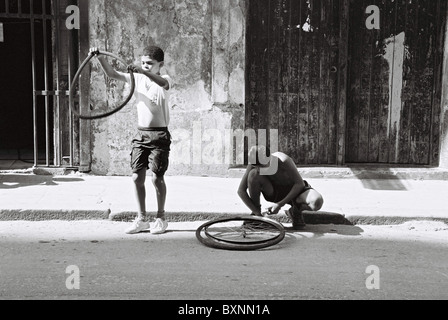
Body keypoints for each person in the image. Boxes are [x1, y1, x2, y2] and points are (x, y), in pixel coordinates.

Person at [89, 46, 173, 235]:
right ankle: (141, 218)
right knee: (137, 177)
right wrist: (100, 57)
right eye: (143, 62)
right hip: (141, 134)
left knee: (157, 177)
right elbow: (112, 74)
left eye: (150, 64)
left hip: (159, 135)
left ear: (161, 64)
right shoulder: (137, 78)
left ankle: (160, 218)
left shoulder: (165, 80)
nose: (145, 66)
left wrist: (143, 71)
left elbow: (161, 82)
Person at [237, 145, 324, 229]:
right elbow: (241, 191)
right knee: (253, 174)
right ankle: (255, 214)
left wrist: (279, 204)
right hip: (274, 192)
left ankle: (295, 211)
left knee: (317, 201)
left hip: (296, 192)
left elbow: (299, 184)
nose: (260, 169)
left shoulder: (283, 160)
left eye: (263, 166)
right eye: (257, 167)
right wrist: (257, 213)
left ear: (269, 158)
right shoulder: (254, 164)